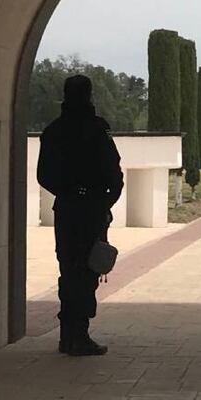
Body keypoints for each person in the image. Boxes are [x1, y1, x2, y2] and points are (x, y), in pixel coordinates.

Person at [38, 75, 123, 356]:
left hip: (67, 209)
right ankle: (79, 335)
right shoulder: (97, 130)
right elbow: (114, 172)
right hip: (91, 211)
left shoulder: (53, 131)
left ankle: (68, 335)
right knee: (88, 270)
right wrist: (103, 202)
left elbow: (44, 175)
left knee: (68, 269)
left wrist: (68, 193)